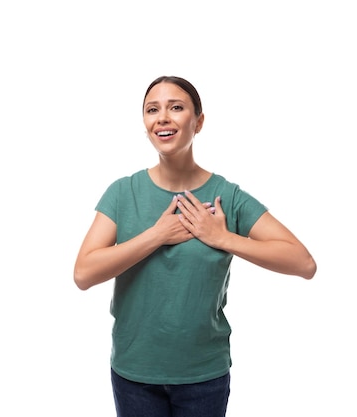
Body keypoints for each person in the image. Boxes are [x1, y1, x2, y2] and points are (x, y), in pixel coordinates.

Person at [73, 75, 317, 417]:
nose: (163, 117)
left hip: (204, 375)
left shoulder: (227, 197)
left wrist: (222, 238)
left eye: (176, 107)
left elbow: (303, 263)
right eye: (152, 109)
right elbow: (83, 273)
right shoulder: (122, 192)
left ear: (198, 122)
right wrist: (157, 234)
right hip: (135, 373)